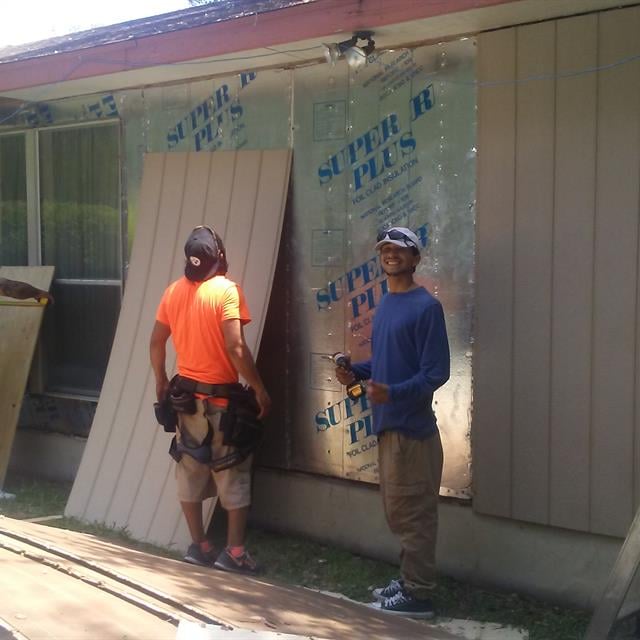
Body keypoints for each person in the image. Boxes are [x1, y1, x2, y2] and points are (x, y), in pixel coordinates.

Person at [335, 226, 450, 619]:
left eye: (399, 250)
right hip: (388, 425)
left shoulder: (426, 307)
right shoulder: (386, 304)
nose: (390, 254)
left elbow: (437, 373)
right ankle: (409, 577)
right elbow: (385, 363)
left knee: (415, 512)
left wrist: (393, 394)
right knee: (399, 510)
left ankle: (420, 595)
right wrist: (357, 371)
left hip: (412, 432)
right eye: (384, 249)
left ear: (415, 259)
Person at [150, 225, 271, 574]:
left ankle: (200, 545)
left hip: (185, 400)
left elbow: (156, 342)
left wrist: (160, 380)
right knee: (232, 471)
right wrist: (260, 389)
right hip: (222, 403)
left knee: (189, 469)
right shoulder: (227, 291)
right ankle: (234, 553)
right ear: (219, 256)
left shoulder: (173, 291)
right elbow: (235, 347)